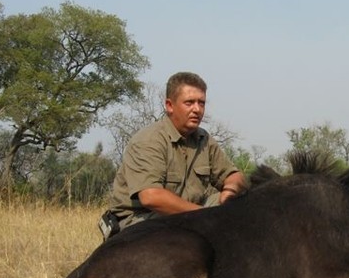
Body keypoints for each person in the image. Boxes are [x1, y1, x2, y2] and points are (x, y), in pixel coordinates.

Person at [99, 71, 247, 239]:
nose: (197, 109)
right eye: (189, 103)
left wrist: (230, 190)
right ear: (169, 105)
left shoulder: (204, 139)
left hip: (191, 213)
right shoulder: (149, 140)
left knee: (244, 205)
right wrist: (206, 217)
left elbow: (234, 175)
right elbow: (151, 197)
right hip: (143, 218)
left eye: (202, 103)